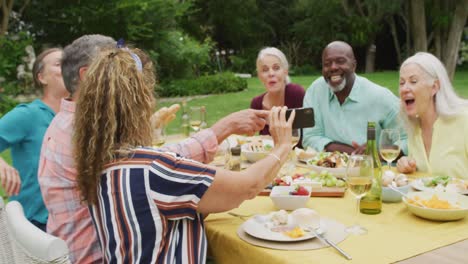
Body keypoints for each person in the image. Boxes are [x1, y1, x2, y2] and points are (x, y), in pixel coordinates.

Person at [38, 35, 269, 264]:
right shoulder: (80, 133)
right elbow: (154, 169)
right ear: (89, 75)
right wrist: (225, 129)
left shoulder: (70, 124)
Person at [0, 48, 69, 231]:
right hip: (33, 225)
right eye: (58, 64)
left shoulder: (79, 118)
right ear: (42, 78)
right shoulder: (27, 115)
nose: (67, 67)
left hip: (72, 224)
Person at [302, 41, 407, 154]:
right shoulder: (315, 91)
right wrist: (352, 153)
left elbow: (409, 139)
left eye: (340, 61)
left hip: (372, 169)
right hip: (325, 168)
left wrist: (379, 153)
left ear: (353, 65)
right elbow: (310, 138)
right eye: (327, 64)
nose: (333, 67)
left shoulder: (380, 97)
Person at [396, 52, 468, 179]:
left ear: (434, 87)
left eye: (413, 81)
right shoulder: (414, 128)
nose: (404, 88)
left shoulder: (463, 120)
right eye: (402, 83)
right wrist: (406, 165)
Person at [251, 47, 305, 136]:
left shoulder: (296, 94)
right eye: (265, 70)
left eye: (276, 68)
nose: (271, 73)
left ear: (285, 72)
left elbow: (308, 135)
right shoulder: (256, 104)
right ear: (259, 76)